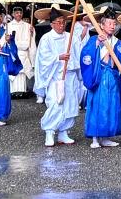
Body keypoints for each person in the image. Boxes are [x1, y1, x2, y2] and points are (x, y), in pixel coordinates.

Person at [80, 10, 121, 148]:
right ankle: (94, 138)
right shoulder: (94, 40)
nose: (112, 26)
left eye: (114, 23)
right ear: (102, 25)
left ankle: (106, 137)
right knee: (98, 106)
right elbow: (86, 56)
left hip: (113, 78)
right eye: (109, 23)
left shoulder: (117, 43)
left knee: (112, 106)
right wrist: (98, 42)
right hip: (99, 76)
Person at [36, 13, 85, 147]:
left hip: (70, 76)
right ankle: (50, 132)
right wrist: (58, 57)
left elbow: (78, 54)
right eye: (58, 22)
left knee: (70, 104)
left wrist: (72, 62)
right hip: (55, 77)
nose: (61, 25)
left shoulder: (71, 37)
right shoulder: (46, 38)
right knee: (56, 103)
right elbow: (43, 58)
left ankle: (63, 132)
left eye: (63, 22)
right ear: (51, 24)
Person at [6, 6, 36, 99]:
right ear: (13, 14)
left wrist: (32, 32)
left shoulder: (27, 26)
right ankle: (13, 91)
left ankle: (23, 91)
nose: (19, 14)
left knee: (23, 72)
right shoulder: (9, 25)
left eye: (20, 13)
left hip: (24, 52)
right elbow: (6, 39)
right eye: (16, 13)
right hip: (13, 52)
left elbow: (31, 41)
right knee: (14, 71)